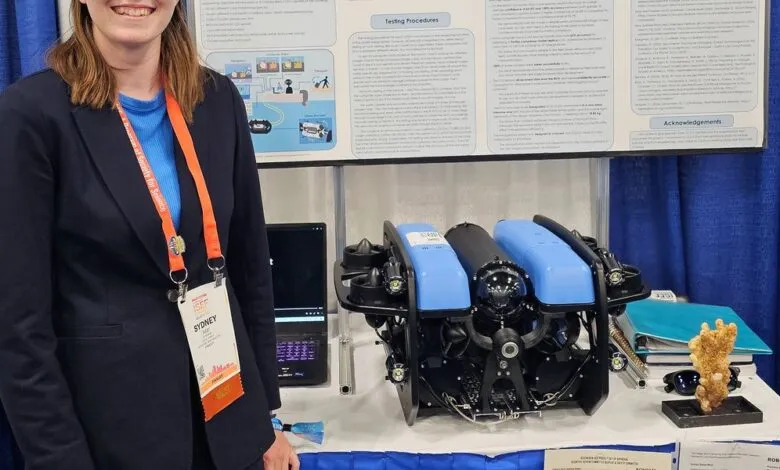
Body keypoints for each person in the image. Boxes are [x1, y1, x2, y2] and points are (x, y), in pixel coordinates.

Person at [0, 1, 299, 469]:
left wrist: (264, 421)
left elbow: (249, 269)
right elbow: (17, 327)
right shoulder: (30, 116)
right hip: (108, 439)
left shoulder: (217, 99)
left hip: (227, 425)